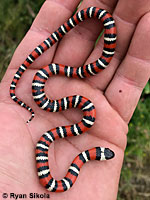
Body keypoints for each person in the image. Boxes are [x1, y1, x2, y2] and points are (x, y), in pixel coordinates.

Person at [0, 0, 150, 199]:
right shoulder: (82, 132)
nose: (104, 154)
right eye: (102, 153)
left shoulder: (74, 154)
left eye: (101, 153)